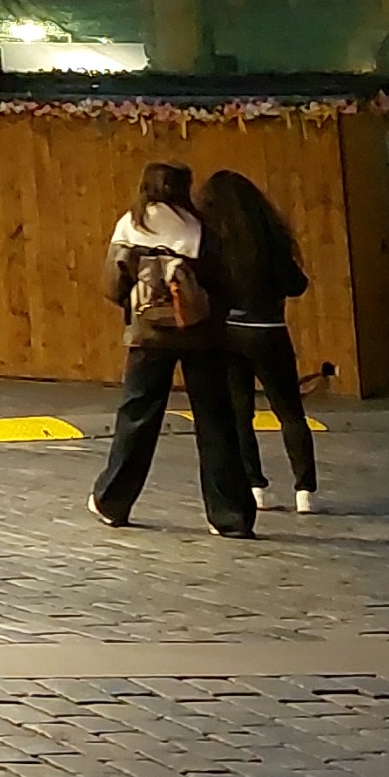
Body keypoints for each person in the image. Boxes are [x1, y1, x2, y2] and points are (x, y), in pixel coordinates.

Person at [91, 163, 256, 537]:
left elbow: (112, 286)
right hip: (201, 335)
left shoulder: (130, 227)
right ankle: (230, 516)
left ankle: (113, 501)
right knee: (216, 421)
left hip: (148, 336)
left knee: (137, 417)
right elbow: (227, 284)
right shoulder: (201, 229)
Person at [191, 164, 317, 516]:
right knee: (290, 411)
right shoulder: (268, 238)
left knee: (239, 413)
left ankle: (255, 485)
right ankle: (305, 490)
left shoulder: (209, 240)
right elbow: (298, 285)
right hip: (270, 331)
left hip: (228, 333)